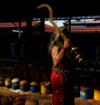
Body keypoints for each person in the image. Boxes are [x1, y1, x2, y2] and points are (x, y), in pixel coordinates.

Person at [47, 26, 76, 105]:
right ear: (60, 36)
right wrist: (64, 48)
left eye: (68, 34)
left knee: (68, 100)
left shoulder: (68, 47)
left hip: (68, 77)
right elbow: (55, 63)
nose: (68, 36)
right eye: (66, 34)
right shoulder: (56, 47)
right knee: (61, 100)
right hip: (59, 78)